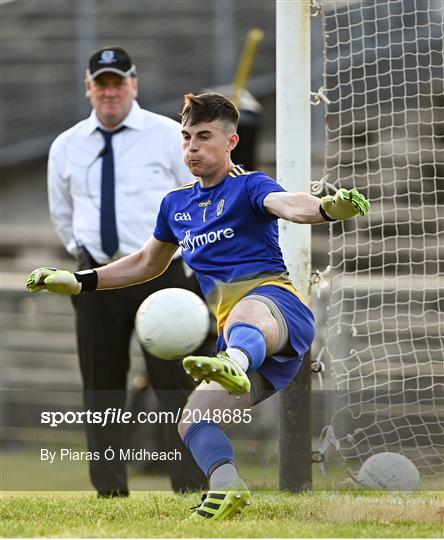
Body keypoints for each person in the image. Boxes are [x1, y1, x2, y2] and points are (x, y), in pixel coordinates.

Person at [28, 92, 370, 518]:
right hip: (244, 343)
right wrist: (80, 281)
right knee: (192, 419)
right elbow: (146, 263)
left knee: (245, 310)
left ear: (230, 142)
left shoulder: (250, 186)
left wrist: (323, 208)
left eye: (204, 137)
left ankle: (235, 360)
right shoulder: (176, 205)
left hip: (277, 311)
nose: (191, 146)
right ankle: (228, 486)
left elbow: (288, 204)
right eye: (187, 137)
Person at [45, 46, 209, 496]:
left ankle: (191, 485)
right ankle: (109, 491)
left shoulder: (167, 135)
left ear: (133, 85)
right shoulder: (66, 145)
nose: (110, 91)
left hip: (164, 274)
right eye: (102, 83)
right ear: (89, 88)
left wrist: (190, 261)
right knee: (100, 386)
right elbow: (63, 214)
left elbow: (198, 197)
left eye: (119, 82)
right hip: (97, 276)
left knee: (175, 383)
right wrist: (85, 255)